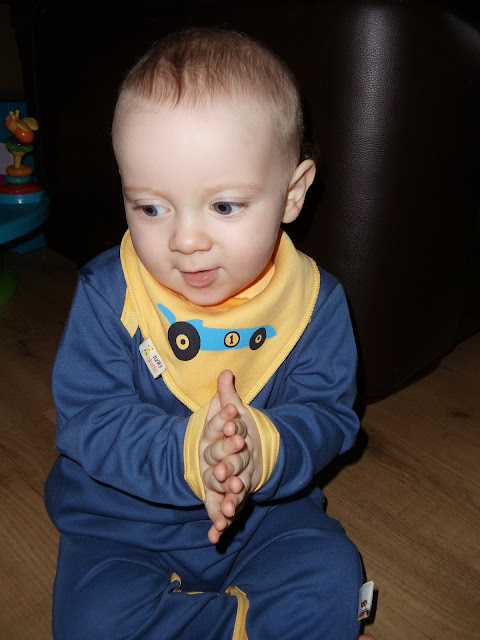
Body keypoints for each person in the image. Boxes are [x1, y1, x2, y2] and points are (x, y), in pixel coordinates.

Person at [44, 26, 373, 639]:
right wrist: (186, 455)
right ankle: (242, 625)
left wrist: (262, 445)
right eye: (150, 207)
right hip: (122, 525)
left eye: (224, 206)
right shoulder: (110, 294)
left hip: (266, 518)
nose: (185, 240)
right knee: (90, 621)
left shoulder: (313, 304)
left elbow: (329, 416)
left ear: (292, 194)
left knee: (334, 573)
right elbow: (89, 418)